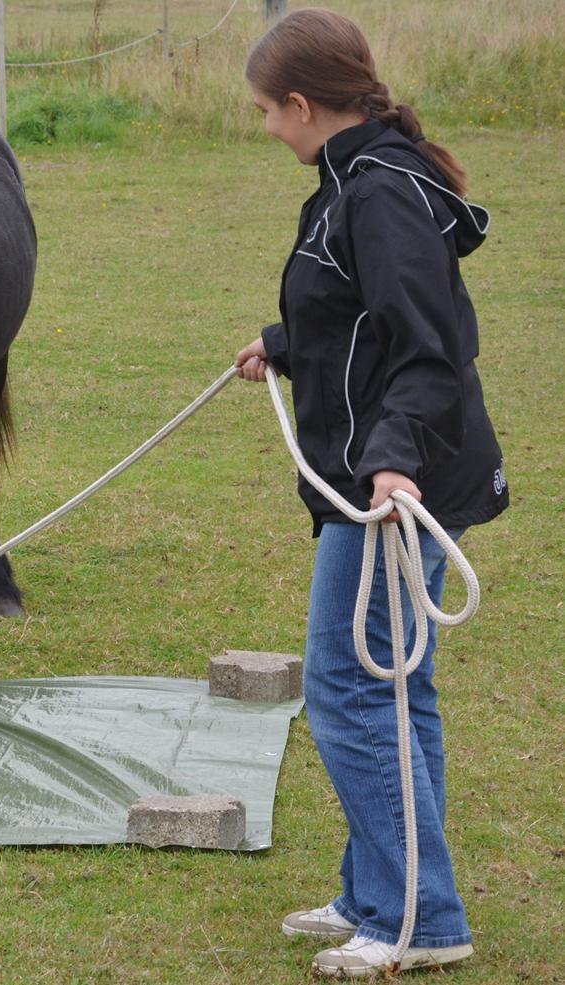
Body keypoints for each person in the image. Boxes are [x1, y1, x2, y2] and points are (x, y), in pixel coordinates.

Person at [233, 8, 509, 979]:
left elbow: (431, 348)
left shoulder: (381, 192)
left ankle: (421, 920)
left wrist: (394, 460)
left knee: (351, 689)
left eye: (269, 109)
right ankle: (378, 892)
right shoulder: (356, 176)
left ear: (305, 105)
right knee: (393, 687)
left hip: (394, 482)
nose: (267, 127)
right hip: (380, 472)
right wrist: (284, 339)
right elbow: (351, 307)